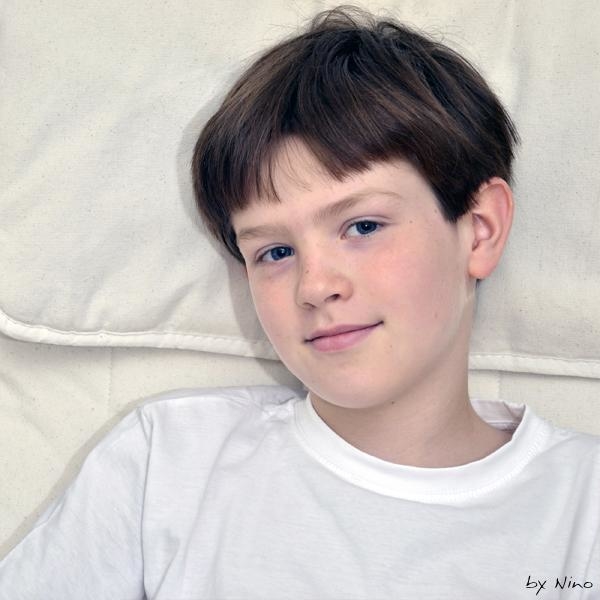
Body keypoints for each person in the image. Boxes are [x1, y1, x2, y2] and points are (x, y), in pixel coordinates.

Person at [1, 6, 599, 599]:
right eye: (276, 252)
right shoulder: (167, 463)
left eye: (363, 227)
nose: (315, 286)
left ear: (480, 230)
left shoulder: (582, 509)